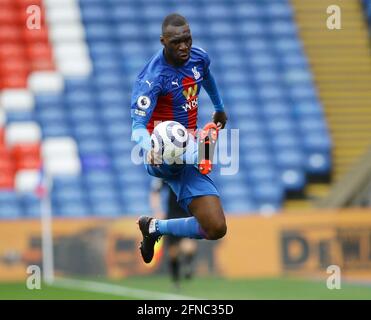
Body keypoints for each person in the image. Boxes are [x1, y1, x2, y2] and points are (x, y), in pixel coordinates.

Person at [131, 13, 228, 264]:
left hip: (189, 145)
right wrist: (148, 146)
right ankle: (202, 151)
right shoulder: (151, 79)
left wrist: (218, 106)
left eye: (187, 39)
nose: (184, 46)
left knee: (216, 228)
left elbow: (205, 75)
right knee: (179, 149)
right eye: (176, 42)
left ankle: (154, 228)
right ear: (163, 41)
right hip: (161, 153)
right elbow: (138, 126)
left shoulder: (198, 57)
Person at [150, 177, 197, 288]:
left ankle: (188, 265)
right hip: (172, 217)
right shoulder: (169, 175)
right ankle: (176, 280)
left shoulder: (189, 174)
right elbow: (155, 191)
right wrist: (157, 210)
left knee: (189, 247)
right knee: (173, 252)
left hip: (187, 216)